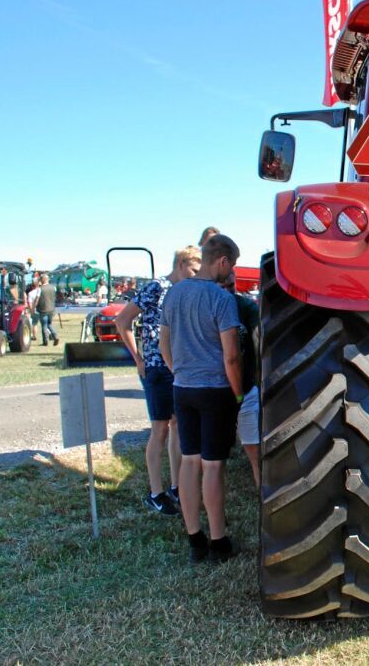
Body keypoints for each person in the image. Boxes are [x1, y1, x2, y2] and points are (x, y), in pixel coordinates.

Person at [160, 234, 242, 562]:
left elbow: (164, 343)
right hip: (215, 390)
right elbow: (231, 356)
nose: (231, 271)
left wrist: (179, 372)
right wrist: (237, 393)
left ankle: (194, 538)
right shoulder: (222, 300)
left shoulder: (174, 294)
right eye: (232, 265)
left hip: (183, 388)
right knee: (212, 466)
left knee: (188, 461)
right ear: (222, 261)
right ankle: (219, 540)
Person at [116, 246, 202, 516]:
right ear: (180, 264)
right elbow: (123, 320)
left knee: (178, 426)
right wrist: (139, 359)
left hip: (179, 367)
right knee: (159, 429)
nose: (195, 276)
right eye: (193, 270)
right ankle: (156, 492)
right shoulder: (157, 287)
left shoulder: (186, 292)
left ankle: (177, 485)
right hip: (156, 367)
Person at [221, 270, 260, 487]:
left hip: (245, 390)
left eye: (231, 286)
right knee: (213, 458)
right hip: (217, 391)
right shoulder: (207, 306)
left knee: (254, 451)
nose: (227, 291)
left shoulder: (246, 307)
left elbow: (257, 341)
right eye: (222, 286)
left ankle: (263, 497)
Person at [35, 274, 59, 346]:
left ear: (42, 280)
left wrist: (34, 306)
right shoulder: (53, 288)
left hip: (43, 309)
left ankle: (45, 341)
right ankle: (55, 336)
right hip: (51, 309)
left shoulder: (40, 289)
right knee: (49, 324)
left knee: (44, 325)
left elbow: (37, 299)